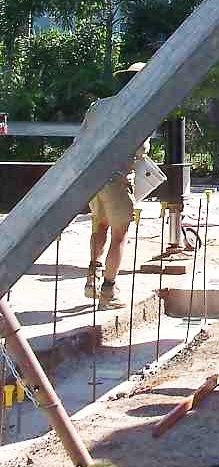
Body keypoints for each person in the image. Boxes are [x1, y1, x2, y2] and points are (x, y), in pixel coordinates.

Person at [83, 63, 145, 309]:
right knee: (120, 234)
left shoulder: (99, 106)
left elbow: (82, 139)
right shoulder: (140, 111)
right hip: (116, 178)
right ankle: (109, 290)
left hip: (92, 177)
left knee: (99, 227)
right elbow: (140, 150)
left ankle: (92, 280)